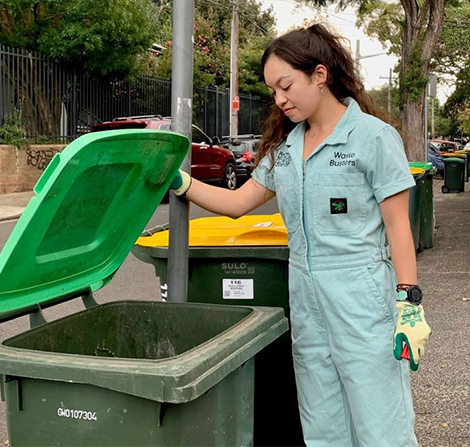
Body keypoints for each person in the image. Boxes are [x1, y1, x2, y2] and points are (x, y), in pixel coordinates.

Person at [171, 24, 431, 447]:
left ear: (320, 75)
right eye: (273, 90)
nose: (280, 99)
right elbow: (238, 203)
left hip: (362, 297)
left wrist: (410, 302)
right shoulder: (287, 149)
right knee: (323, 425)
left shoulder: (374, 139)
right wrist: (180, 182)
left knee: (381, 424)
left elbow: (399, 225)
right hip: (306, 299)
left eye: (286, 86)